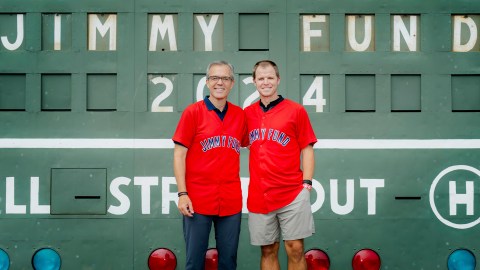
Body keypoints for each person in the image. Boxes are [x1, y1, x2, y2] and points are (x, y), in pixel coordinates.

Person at [172, 60, 248, 270]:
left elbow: (256, 143)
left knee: (228, 263)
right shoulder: (193, 112)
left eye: (225, 78)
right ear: (207, 82)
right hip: (197, 200)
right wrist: (182, 193)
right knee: (194, 262)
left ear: (232, 83)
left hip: (230, 200)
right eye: (215, 77)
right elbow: (179, 155)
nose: (219, 82)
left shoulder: (240, 115)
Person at [244, 60, 317, 270]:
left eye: (270, 78)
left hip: (291, 191)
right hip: (260, 194)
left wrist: (306, 183)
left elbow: (307, 148)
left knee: (295, 247)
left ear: (278, 80)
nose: (265, 82)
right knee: (268, 249)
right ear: (254, 81)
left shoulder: (296, 110)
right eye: (261, 78)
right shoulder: (247, 114)